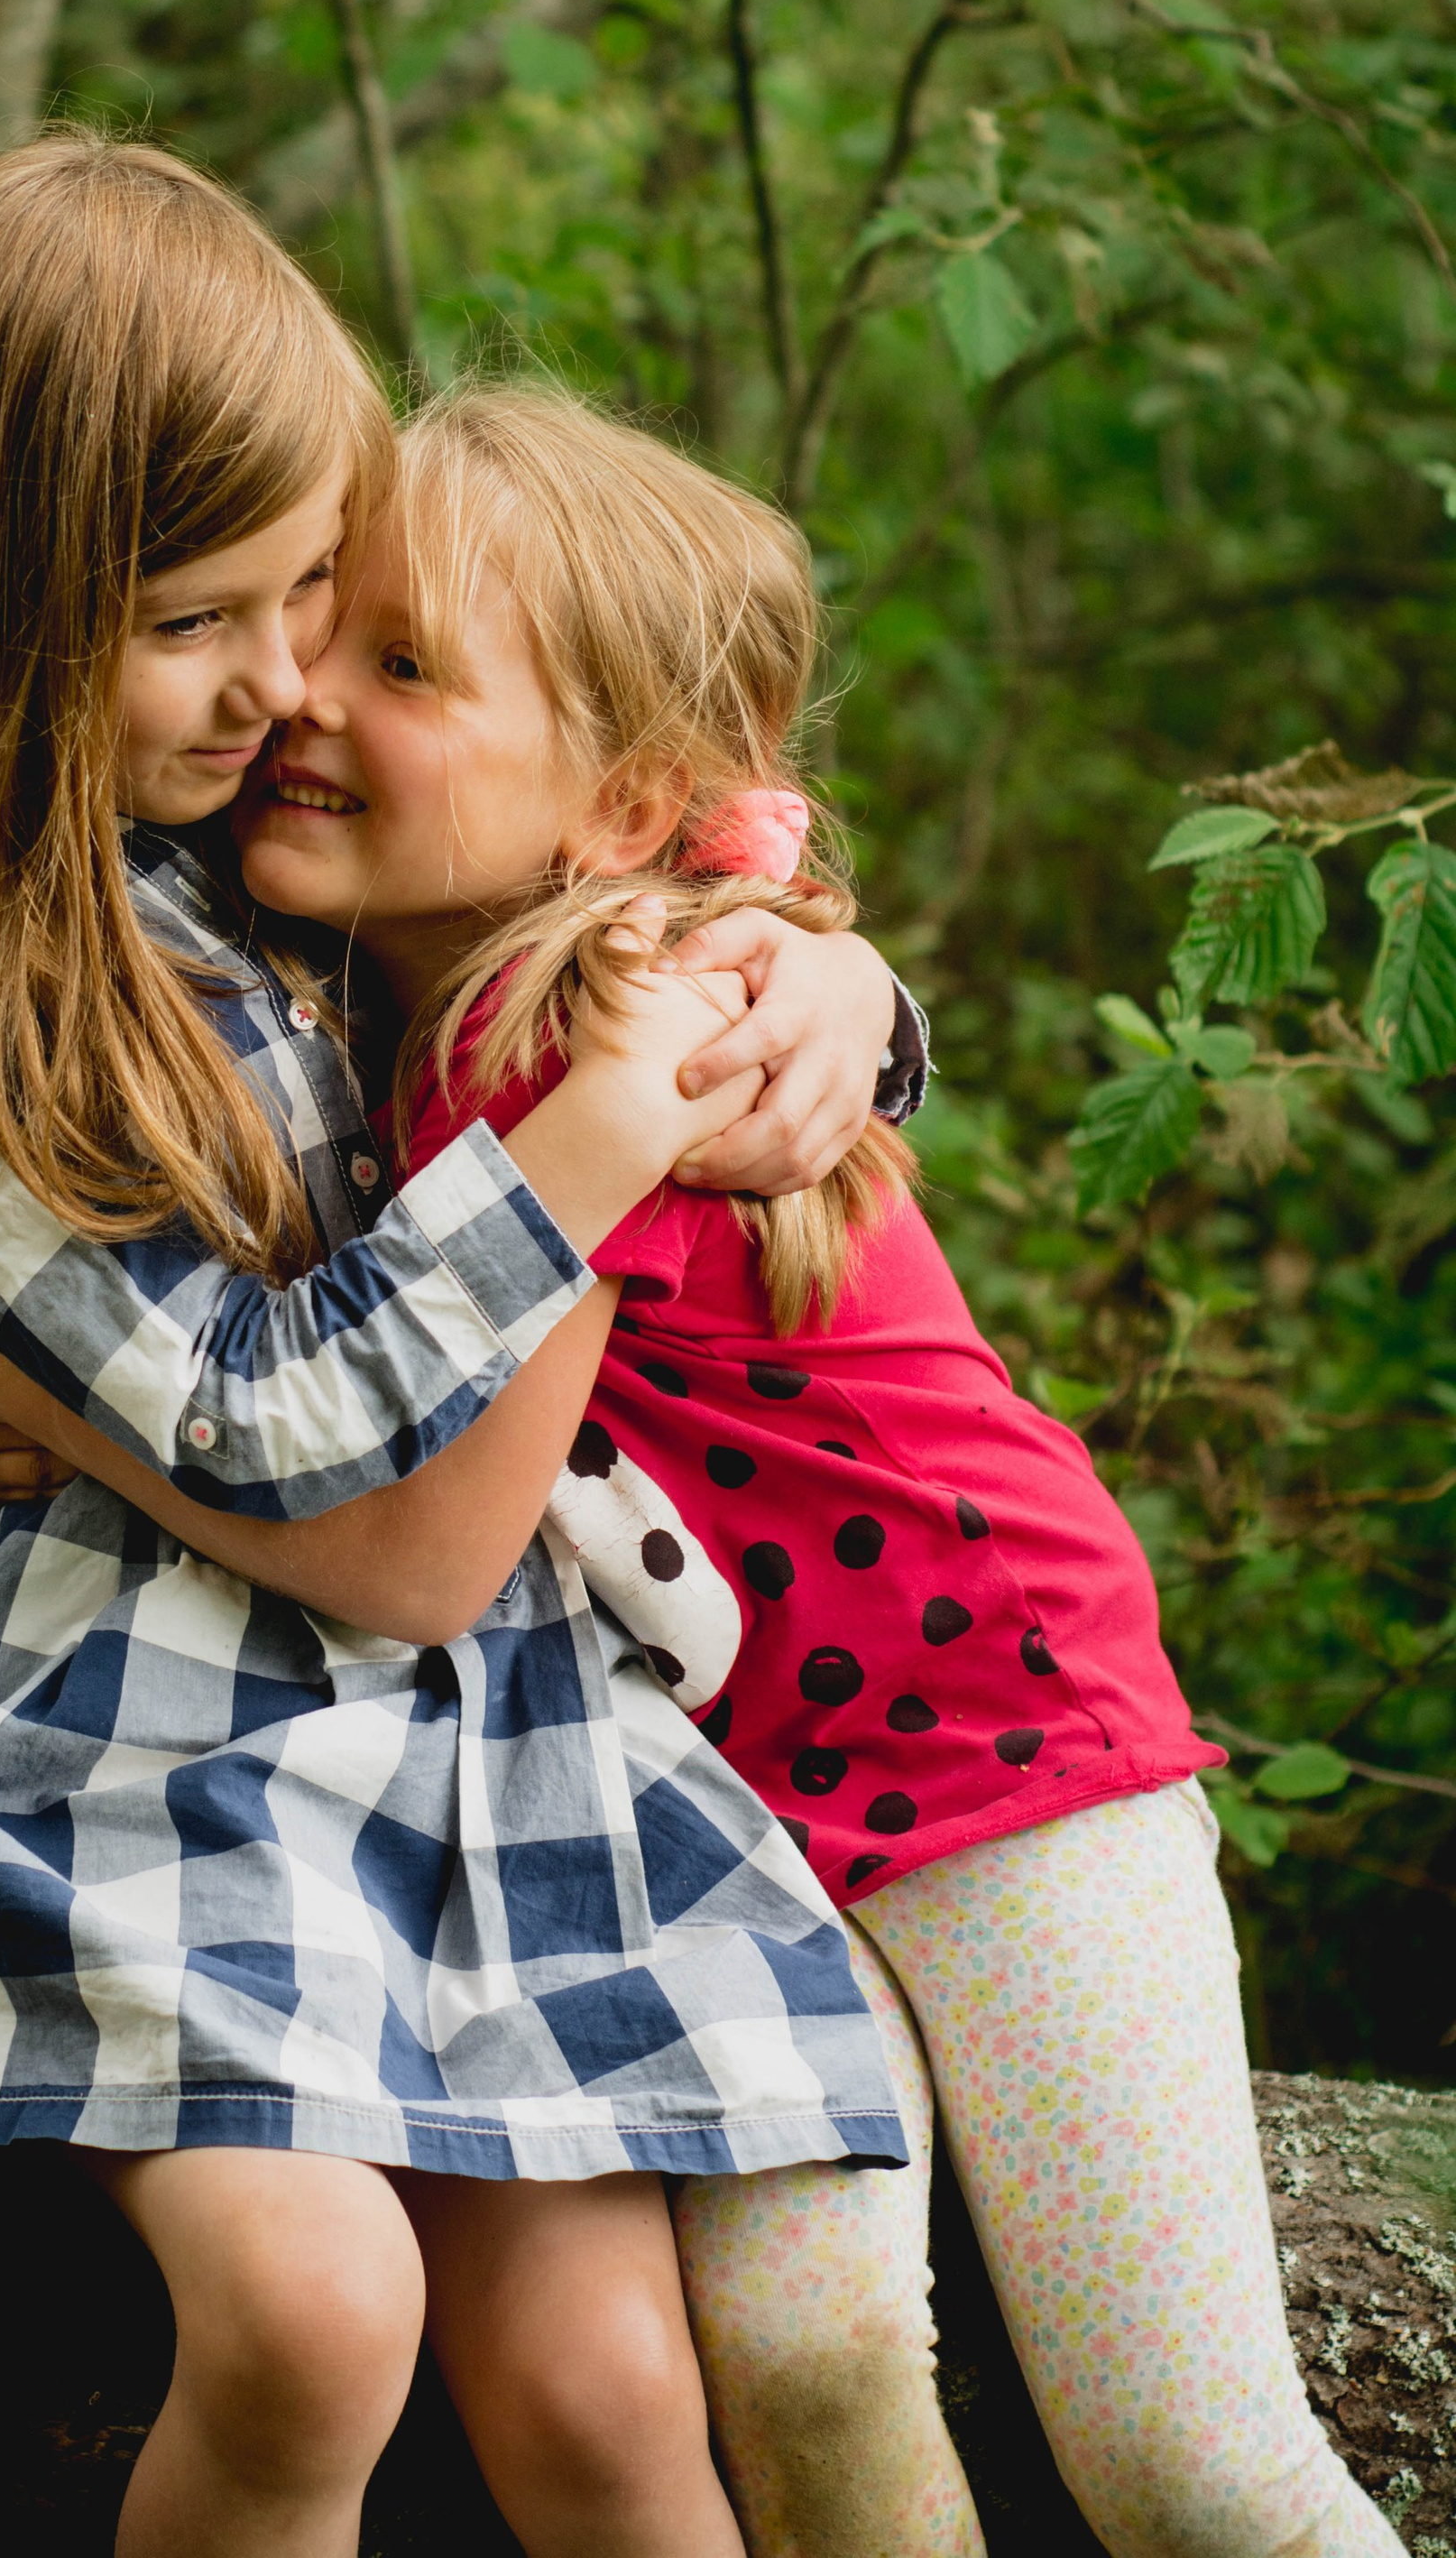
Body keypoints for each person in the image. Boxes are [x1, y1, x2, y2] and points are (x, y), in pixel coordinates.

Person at [0, 136, 926, 2558]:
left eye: (312, 597)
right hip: (155, 1754)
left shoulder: (251, 831)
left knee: (615, 2384)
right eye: (205, 618)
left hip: (495, 1751)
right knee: (314, 2324)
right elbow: (276, 1433)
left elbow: (651, 859)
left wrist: (839, 983)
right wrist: (603, 1139)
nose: (284, 686)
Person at [189, 378, 1390, 2558]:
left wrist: (819, 958)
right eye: (308, 634)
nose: (301, 702)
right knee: (808, 2366)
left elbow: (396, 1444)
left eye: (399, 665)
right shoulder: (365, 997)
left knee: (1189, 2466)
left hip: (1006, 1758)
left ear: (617, 801)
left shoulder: (606, 1027)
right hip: (719, 1836)